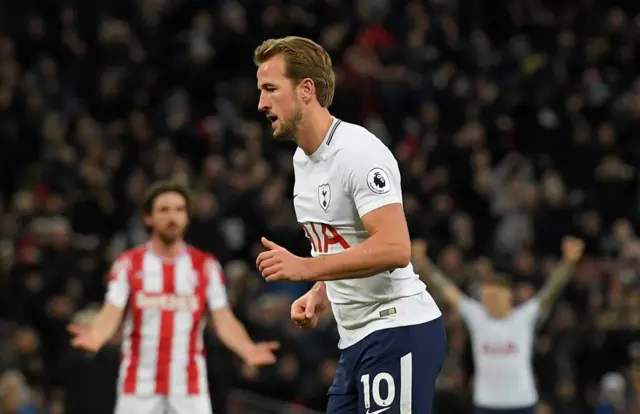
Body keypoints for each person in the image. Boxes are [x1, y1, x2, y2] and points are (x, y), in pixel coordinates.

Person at [253, 36, 446, 414]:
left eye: (270, 89)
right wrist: (319, 291)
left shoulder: (358, 152)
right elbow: (343, 245)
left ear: (306, 89)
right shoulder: (302, 162)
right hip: (355, 339)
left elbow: (395, 248)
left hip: (396, 328)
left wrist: (307, 267)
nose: (261, 103)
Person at [67, 180, 279, 414]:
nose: (172, 216)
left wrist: (246, 349)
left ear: (187, 217)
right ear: (148, 218)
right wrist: (97, 336)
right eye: (164, 210)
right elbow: (112, 310)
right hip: (138, 387)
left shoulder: (205, 266)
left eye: (179, 210)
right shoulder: (128, 264)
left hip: (189, 389)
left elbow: (222, 318)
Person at [411, 236, 585, 414]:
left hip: (522, 403)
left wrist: (569, 262)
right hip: (487, 404)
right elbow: (447, 289)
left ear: (508, 297)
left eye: (494, 297)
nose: (490, 302)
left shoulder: (523, 317)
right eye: (487, 297)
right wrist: (423, 263)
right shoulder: (477, 316)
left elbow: (551, 290)